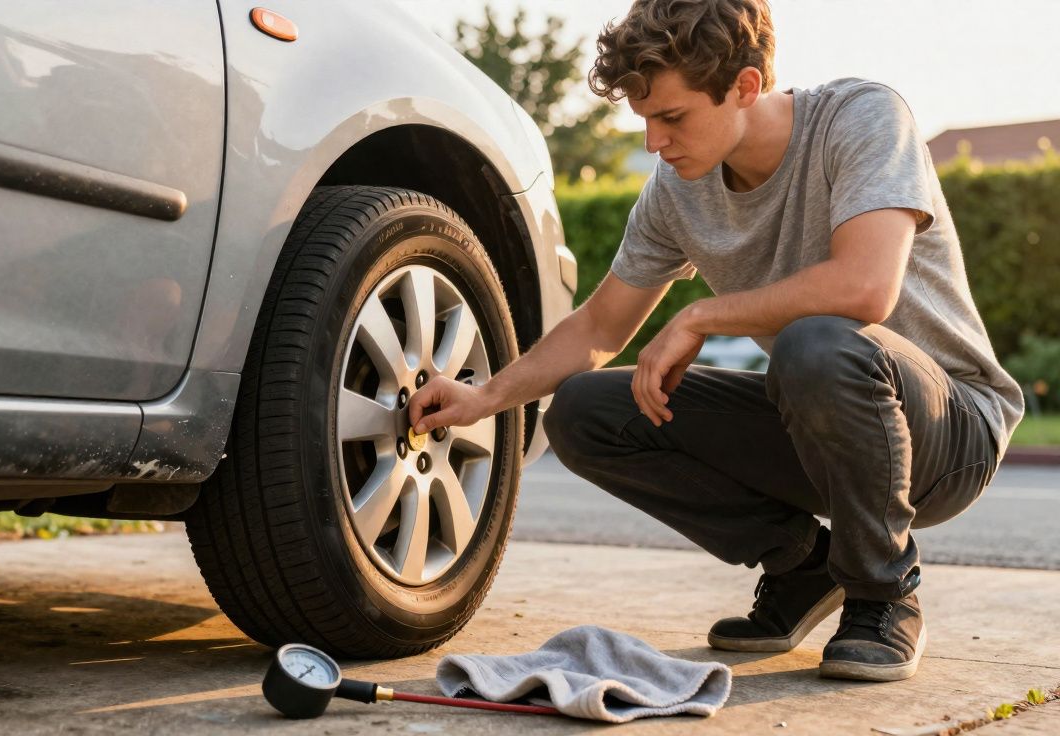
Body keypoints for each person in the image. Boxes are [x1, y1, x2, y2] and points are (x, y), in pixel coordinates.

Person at [409, 0, 1023, 683]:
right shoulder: (677, 193)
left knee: (815, 342)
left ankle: (884, 595)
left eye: (672, 118)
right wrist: (483, 398)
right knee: (584, 413)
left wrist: (700, 317)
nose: (654, 143)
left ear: (747, 87)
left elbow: (864, 289)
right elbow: (598, 327)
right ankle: (802, 566)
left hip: (950, 430)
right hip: (818, 415)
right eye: (645, 120)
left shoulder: (863, 119)